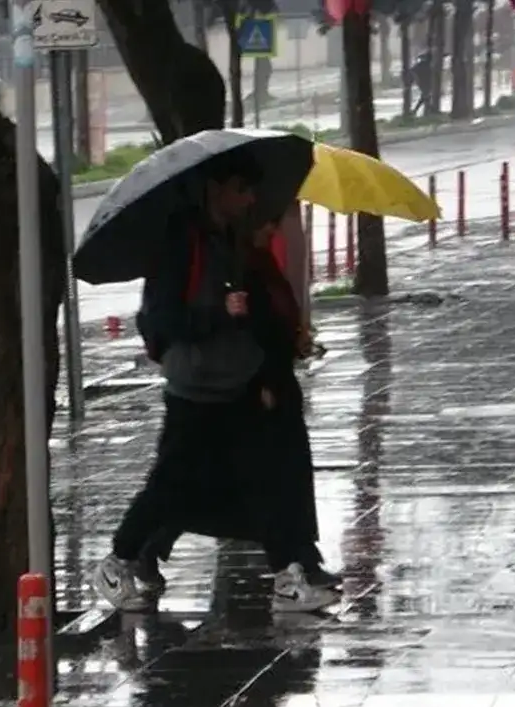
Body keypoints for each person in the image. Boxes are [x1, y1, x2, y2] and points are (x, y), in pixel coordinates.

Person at [92, 151, 341, 614]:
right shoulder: (183, 241)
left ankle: (289, 575)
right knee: (171, 483)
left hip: (237, 381)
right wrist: (217, 314)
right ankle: (119, 559)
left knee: (268, 478)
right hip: (197, 387)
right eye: (242, 190)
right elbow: (160, 317)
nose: (249, 201)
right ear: (217, 189)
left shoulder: (228, 237)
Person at [134, 218, 341, 595]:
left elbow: (276, 318)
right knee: (222, 481)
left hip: (274, 383)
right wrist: (263, 380)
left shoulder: (259, 262)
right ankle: (144, 547)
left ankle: (298, 559)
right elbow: (246, 330)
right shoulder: (235, 266)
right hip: (252, 387)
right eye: (267, 221)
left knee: (278, 479)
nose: (272, 228)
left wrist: (297, 337)